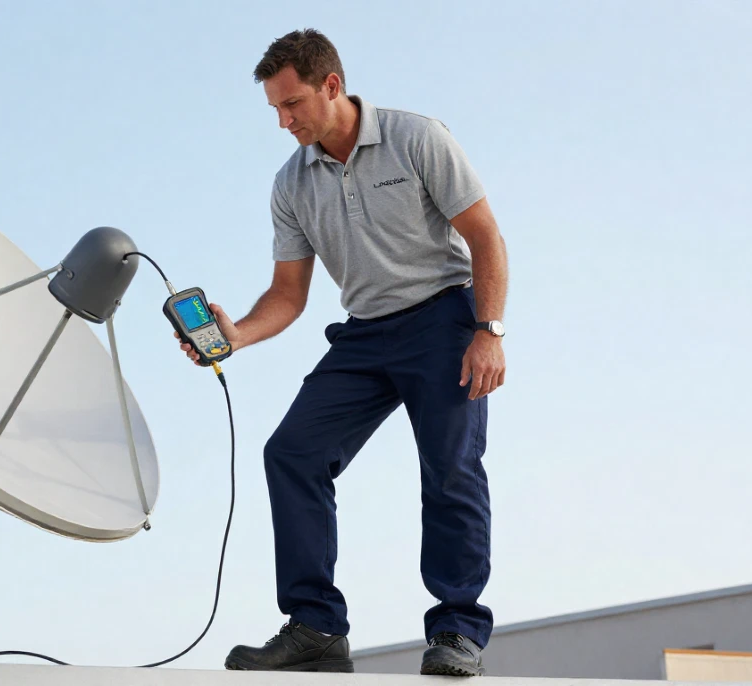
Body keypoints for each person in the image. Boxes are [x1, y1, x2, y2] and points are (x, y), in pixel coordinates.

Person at [176, 29, 508, 675]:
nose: (284, 120)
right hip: (364, 333)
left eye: (292, 103)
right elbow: (288, 294)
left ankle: (458, 632)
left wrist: (489, 331)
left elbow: (486, 236)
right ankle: (316, 628)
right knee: (291, 453)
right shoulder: (291, 182)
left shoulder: (418, 138)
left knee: (451, 470)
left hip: (444, 320)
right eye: (274, 108)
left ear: (332, 86)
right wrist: (236, 333)